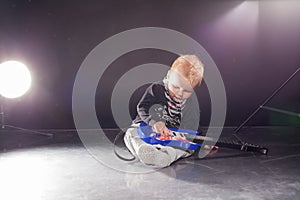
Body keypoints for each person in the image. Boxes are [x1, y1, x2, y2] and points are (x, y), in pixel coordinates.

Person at [124, 54, 215, 168]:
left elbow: (193, 127)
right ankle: (143, 150)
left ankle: (164, 156)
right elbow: (143, 107)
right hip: (148, 128)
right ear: (168, 77)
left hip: (173, 137)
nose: (180, 93)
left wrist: (203, 141)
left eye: (187, 90)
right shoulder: (156, 89)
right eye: (176, 87)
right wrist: (154, 122)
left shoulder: (190, 104)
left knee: (186, 147)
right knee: (131, 134)